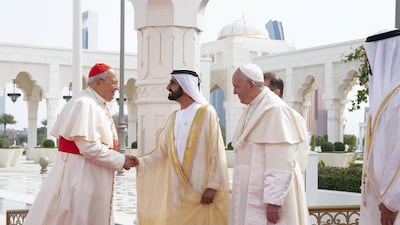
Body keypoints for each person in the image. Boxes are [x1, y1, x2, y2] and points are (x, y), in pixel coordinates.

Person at [23, 63, 138, 225]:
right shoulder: (84, 103)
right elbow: (89, 148)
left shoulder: (97, 104)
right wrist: (121, 160)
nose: (117, 88)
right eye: (114, 83)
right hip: (79, 179)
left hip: (89, 178)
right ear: (99, 82)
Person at [135, 69, 231, 225]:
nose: (168, 87)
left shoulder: (206, 113)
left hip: (200, 189)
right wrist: (139, 162)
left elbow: (216, 150)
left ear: (186, 86)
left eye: (172, 82)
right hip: (175, 190)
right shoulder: (175, 117)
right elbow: (162, 152)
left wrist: (212, 186)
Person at [229, 63, 310, 225]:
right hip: (250, 193)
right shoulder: (252, 108)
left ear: (251, 84)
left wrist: (274, 201)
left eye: (236, 86)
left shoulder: (274, 109)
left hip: (268, 200)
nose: (234, 92)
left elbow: (280, 160)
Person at [360, 28, 400, 225]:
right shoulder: (385, 99)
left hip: (392, 203)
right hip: (378, 198)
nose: (368, 62)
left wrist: (391, 202)